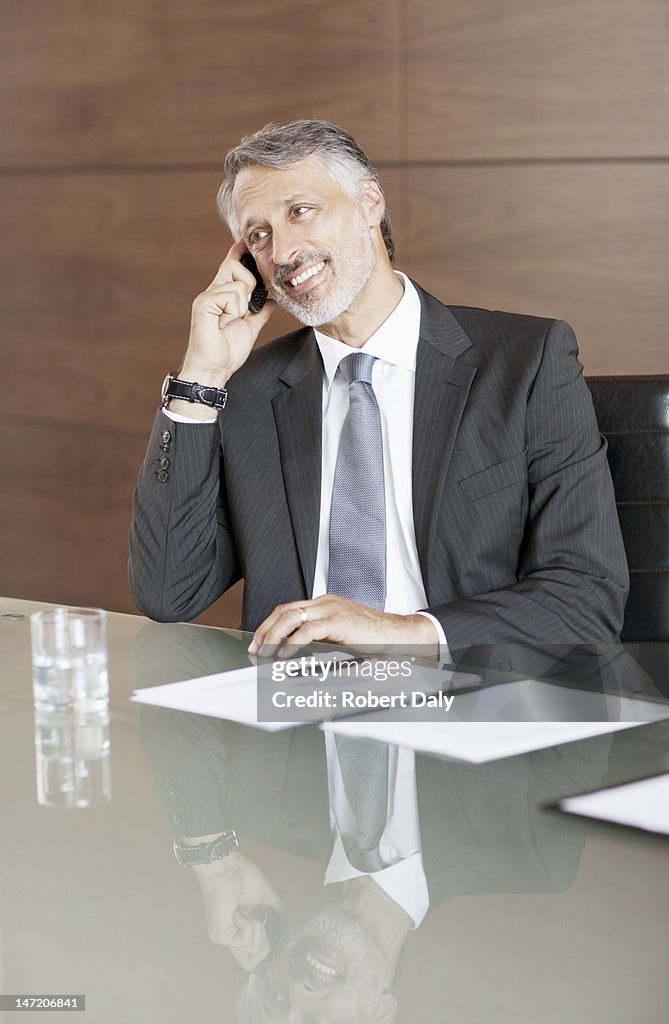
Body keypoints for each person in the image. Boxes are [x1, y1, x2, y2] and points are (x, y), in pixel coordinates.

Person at [129, 119, 628, 656]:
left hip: (470, 699)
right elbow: (167, 592)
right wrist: (200, 380)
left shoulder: (526, 361)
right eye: (259, 234)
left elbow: (586, 594)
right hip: (299, 715)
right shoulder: (246, 390)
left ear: (370, 204)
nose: (284, 250)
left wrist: (404, 633)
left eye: (301, 211)